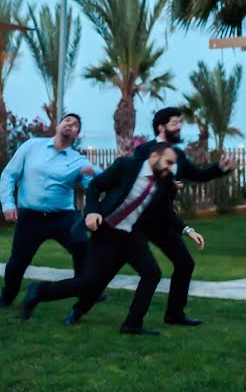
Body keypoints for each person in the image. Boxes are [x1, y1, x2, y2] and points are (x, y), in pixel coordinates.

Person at [22, 142, 197, 335]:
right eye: (168, 162)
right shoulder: (126, 167)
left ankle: (132, 324)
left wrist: (187, 230)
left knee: (152, 273)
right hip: (108, 232)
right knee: (88, 283)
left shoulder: (164, 180)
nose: (171, 168)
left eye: (173, 164)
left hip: (132, 236)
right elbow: (95, 186)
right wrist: (91, 212)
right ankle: (38, 292)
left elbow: (166, 211)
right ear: (154, 156)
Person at [132, 107, 228, 326]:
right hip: (137, 221)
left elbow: (197, 175)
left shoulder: (178, 155)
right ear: (161, 127)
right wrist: (165, 183)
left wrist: (220, 168)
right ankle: (82, 303)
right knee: (111, 267)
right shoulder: (144, 151)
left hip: (164, 220)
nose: (179, 127)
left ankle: (174, 314)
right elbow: (135, 179)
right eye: (175, 122)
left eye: (180, 122)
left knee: (184, 264)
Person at [0, 113, 97, 307]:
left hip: (63, 217)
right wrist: (7, 204)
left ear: (76, 135)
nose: (70, 124)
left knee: (83, 247)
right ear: (58, 125)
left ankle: (83, 289)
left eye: (76, 124)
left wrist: (92, 175)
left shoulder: (78, 160)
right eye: (67, 120)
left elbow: (93, 185)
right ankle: (7, 296)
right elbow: (9, 175)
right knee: (17, 263)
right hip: (31, 217)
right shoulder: (32, 146)